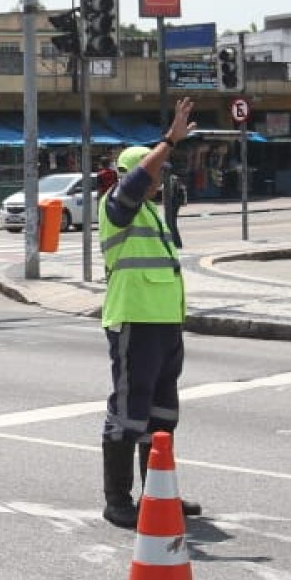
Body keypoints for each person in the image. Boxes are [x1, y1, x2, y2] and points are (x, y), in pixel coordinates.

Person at [97, 96, 202, 529]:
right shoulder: (117, 206)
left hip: (163, 327)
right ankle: (118, 500)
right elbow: (138, 182)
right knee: (128, 414)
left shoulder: (154, 216)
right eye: (156, 174)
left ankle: (158, 497)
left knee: (162, 417)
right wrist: (168, 141)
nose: (160, 182)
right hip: (134, 322)